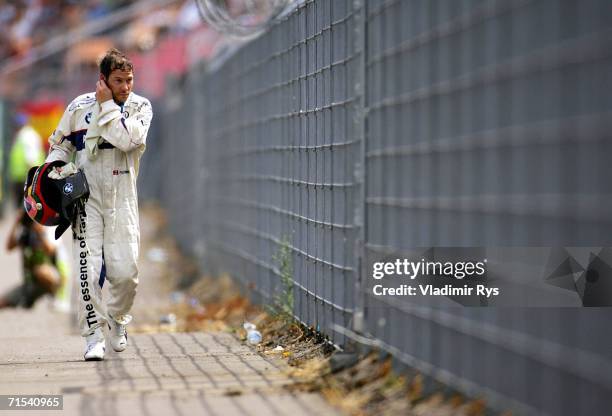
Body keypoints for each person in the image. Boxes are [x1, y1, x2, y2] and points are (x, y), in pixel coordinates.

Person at [45, 48, 153, 361]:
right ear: (102, 79)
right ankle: (93, 336)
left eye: (129, 80)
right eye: (118, 80)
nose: (126, 86)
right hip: (86, 199)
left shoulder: (139, 107)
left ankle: (118, 321)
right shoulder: (78, 108)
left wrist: (108, 106)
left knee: (125, 273)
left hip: (123, 197)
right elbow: (59, 148)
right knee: (88, 272)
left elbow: (128, 141)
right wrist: (54, 173)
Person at [0, 211, 60, 309]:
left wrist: (40, 233)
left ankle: (57, 298)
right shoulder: (25, 234)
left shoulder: (47, 230)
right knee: (2, 302)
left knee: (40, 271)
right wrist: (16, 223)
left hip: (50, 279)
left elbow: (51, 250)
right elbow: (9, 247)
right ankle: (27, 301)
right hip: (29, 283)